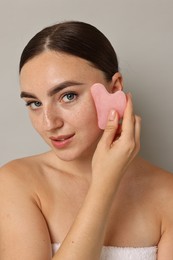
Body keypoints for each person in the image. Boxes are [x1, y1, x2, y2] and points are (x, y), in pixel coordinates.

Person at [0, 21, 173, 260]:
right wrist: (104, 183)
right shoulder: (17, 182)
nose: (49, 123)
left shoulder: (167, 193)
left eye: (68, 96)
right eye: (34, 103)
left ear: (115, 89)